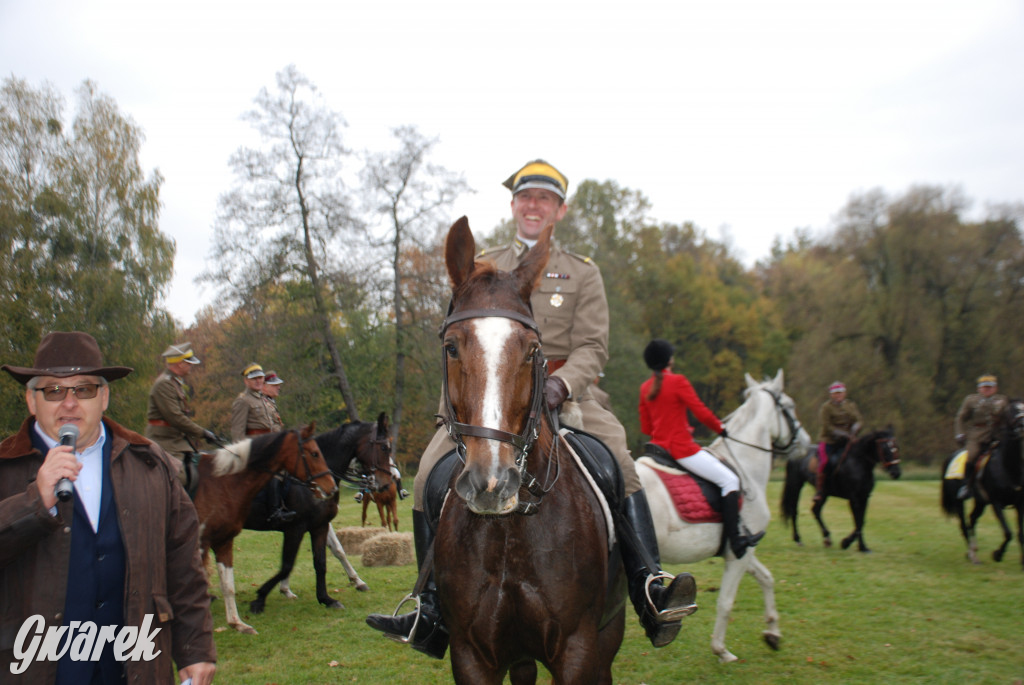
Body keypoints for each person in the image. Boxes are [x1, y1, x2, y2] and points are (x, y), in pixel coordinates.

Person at [367, 159, 696, 656]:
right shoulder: (482, 265)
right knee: (423, 477)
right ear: (514, 205)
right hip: (486, 401)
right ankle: (430, 606)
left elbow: (593, 348)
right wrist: (449, 415)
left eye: (545, 198)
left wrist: (560, 385)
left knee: (619, 463)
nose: (534, 205)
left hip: (565, 396)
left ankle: (648, 585)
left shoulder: (582, 272)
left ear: (559, 210)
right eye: (526, 197)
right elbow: (460, 343)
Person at [0, 331, 216, 684]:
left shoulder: (149, 462)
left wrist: (195, 647)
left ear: (104, 397)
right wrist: (33, 503)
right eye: (54, 390)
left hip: (134, 665)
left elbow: (183, 561)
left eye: (83, 389)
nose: (69, 403)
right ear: (30, 399)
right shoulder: (4, 466)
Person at [639, 339, 763, 559]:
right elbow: (701, 411)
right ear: (669, 360)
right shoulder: (678, 381)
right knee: (729, 481)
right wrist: (720, 428)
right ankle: (735, 540)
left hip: (657, 450)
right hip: (681, 449)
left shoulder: (645, 388)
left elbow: (646, 426)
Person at [145, 342, 218, 490]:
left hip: (177, 441)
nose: (191, 366)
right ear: (179, 364)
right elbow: (176, 418)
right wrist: (202, 433)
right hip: (165, 441)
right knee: (180, 478)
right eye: (188, 362)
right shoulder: (164, 384)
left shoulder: (174, 383)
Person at [231, 364, 294, 524]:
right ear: (246, 381)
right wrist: (245, 455)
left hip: (270, 448)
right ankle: (274, 512)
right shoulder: (243, 401)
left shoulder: (262, 400)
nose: (258, 381)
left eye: (260, 378)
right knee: (274, 472)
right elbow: (237, 433)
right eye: (254, 379)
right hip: (256, 450)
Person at [954, 374, 1008, 498]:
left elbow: (1008, 417)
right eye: (984, 387)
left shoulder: (1002, 400)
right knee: (971, 456)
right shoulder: (971, 400)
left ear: (995, 388)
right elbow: (961, 418)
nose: (987, 389)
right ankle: (966, 485)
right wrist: (960, 433)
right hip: (977, 435)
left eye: (990, 387)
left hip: (998, 435)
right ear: (979, 388)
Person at [815, 380, 863, 501]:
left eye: (840, 393)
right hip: (829, 440)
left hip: (847, 440)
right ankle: (820, 490)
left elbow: (858, 420)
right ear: (831, 395)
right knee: (825, 462)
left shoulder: (850, 405)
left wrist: (855, 429)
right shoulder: (826, 407)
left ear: (844, 394)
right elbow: (827, 426)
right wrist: (841, 434)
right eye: (835, 393)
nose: (838, 395)